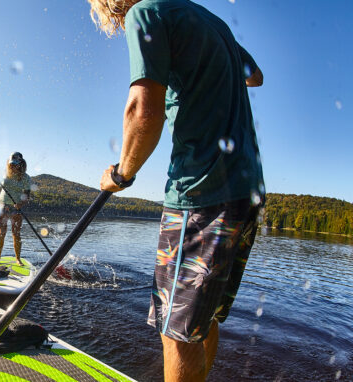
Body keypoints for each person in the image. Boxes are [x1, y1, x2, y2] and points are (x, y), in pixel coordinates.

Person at [89, 0, 265, 381]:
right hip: (247, 189)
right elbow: (255, 75)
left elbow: (143, 112)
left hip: (201, 192)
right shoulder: (210, 21)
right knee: (203, 321)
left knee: (178, 333)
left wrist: (120, 175)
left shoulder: (146, 13)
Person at [0, 152, 31, 266]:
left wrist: (21, 204)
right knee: (1, 233)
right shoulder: (4, 174)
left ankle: (18, 259)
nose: (13, 166)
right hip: (2, 206)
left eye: (15, 164)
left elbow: (27, 196)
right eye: (11, 164)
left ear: (21, 164)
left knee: (16, 234)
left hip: (16, 209)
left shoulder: (26, 178)